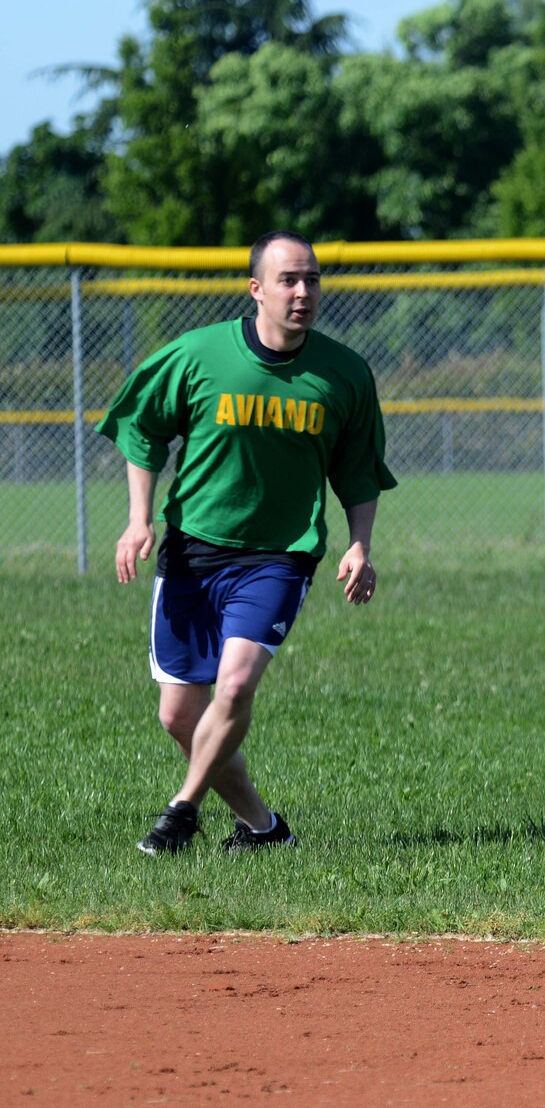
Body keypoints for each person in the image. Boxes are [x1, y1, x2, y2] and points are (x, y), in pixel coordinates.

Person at [98, 230, 395, 855]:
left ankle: (181, 812)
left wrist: (360, 544)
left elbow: (358, 470)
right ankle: (263, 828)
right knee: (179, 716)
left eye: (312, 279)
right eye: (288, 280)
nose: (303, 292)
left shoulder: (344, 373)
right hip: (193, 550)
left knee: (233, 688)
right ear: (256, 289)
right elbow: (141, 426)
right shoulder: (199, 354)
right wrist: (138, 518)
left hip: (279, 556)